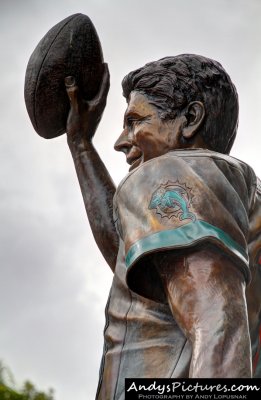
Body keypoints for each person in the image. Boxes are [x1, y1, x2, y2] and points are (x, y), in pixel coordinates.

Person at [64, 54, 261, 399]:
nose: (122, 141)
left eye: (135, 121)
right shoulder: (234, 196)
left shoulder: (174, 171)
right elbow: (133, 258)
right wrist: (81, 146)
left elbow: (219, 321)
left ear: (190, 119)